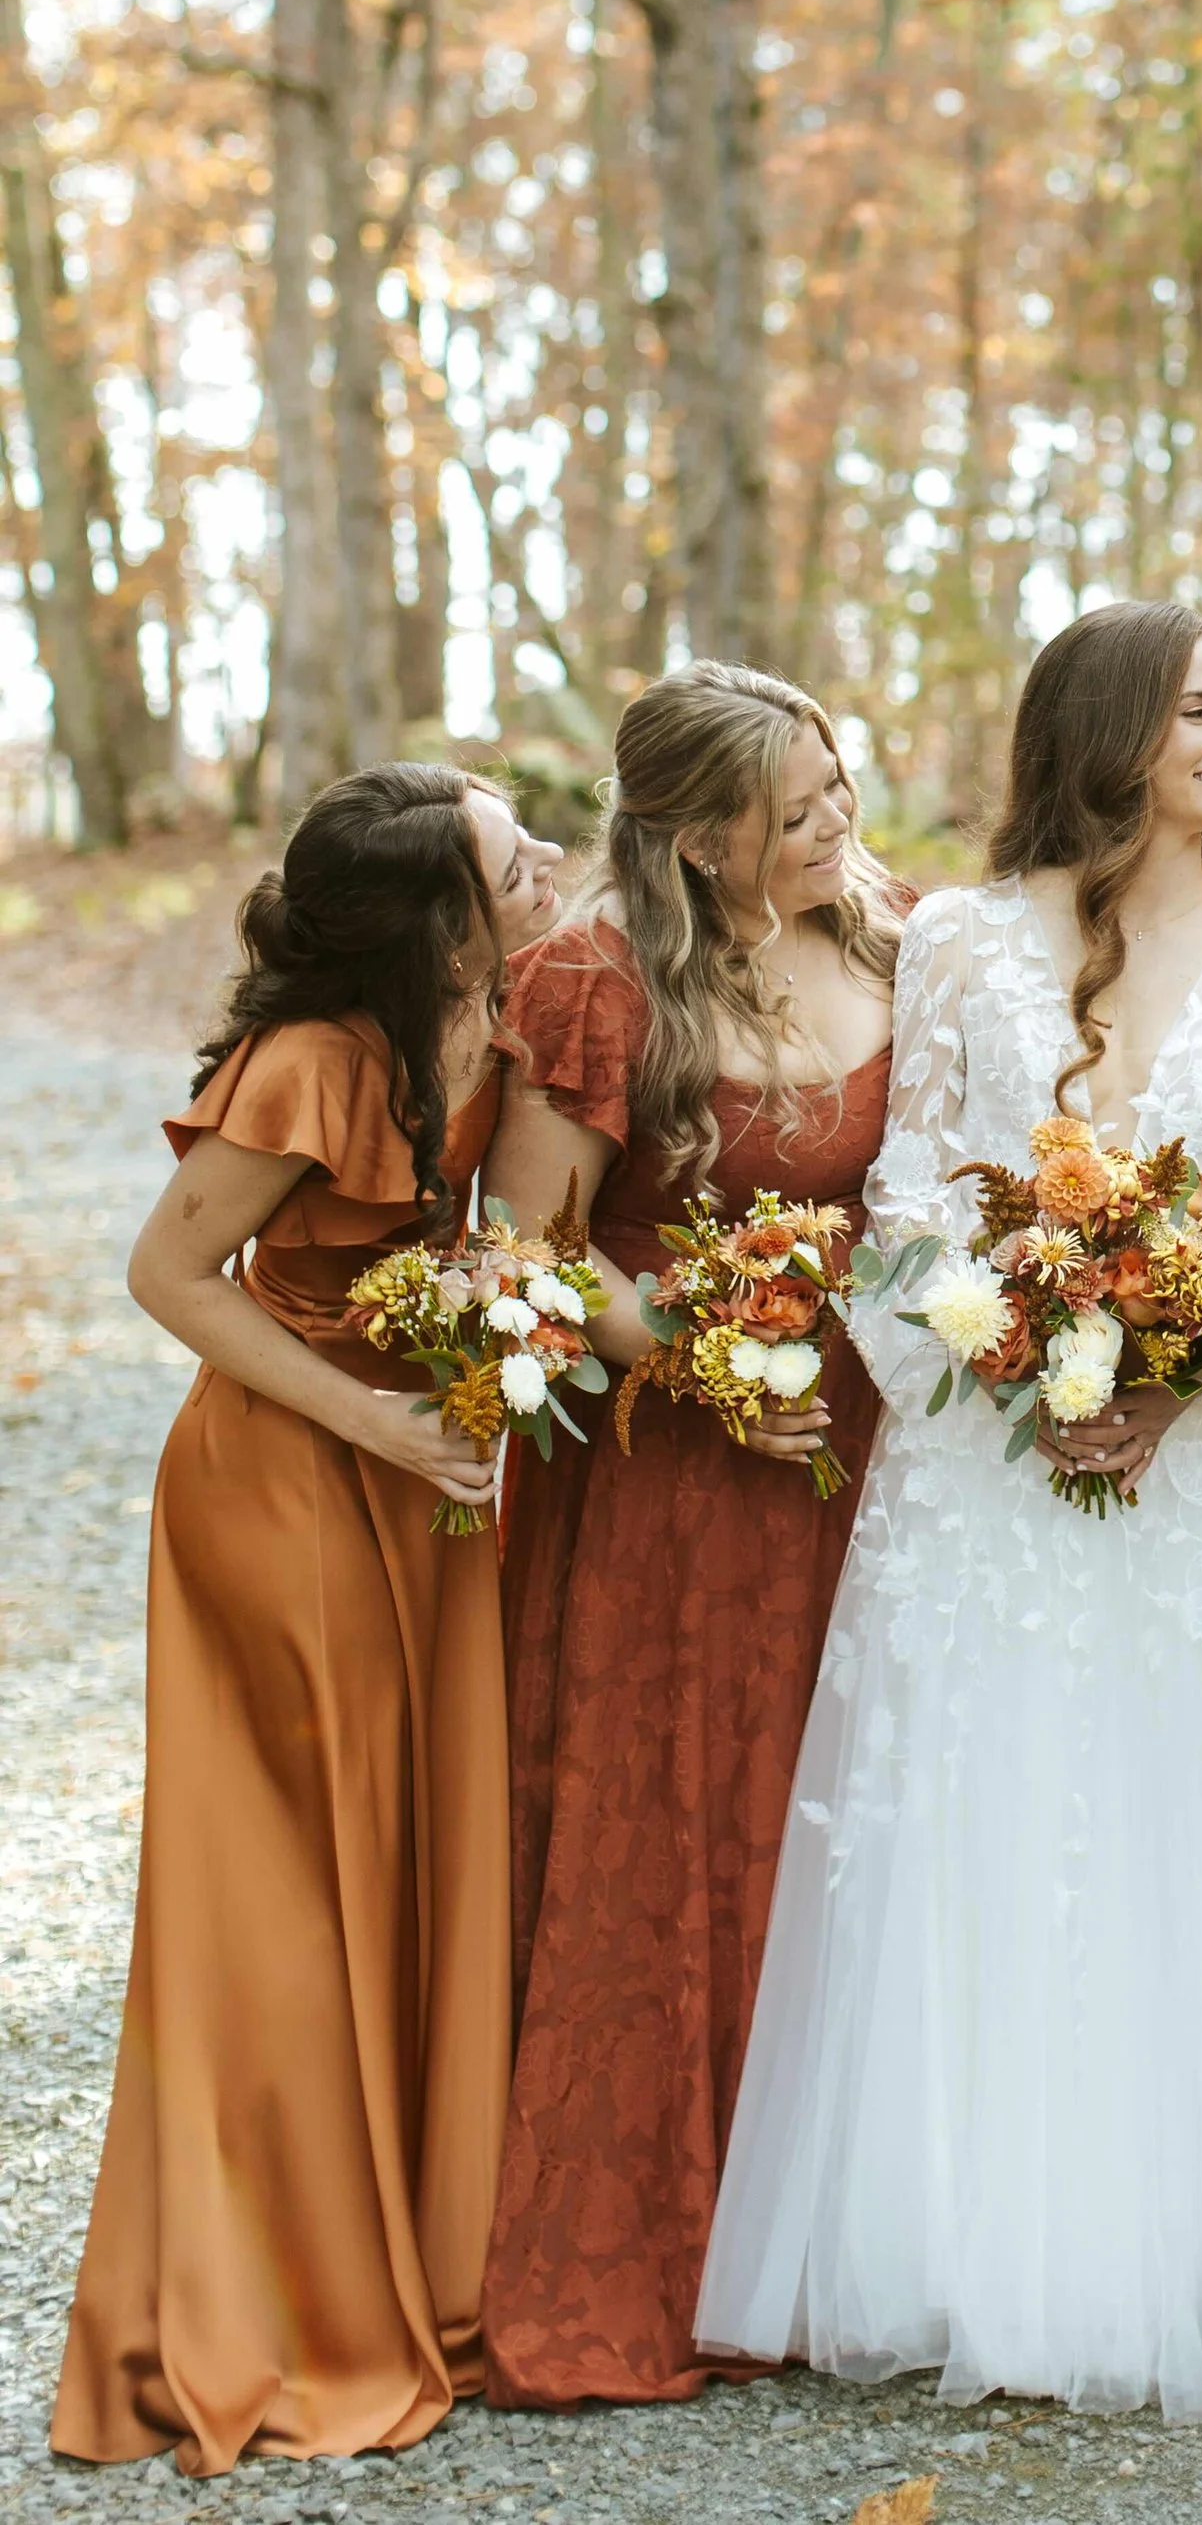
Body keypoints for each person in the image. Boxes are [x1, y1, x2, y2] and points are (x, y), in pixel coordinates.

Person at [696, 603, 1202, 2419]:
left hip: (1200, 1467)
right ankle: (935, 2245)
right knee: (970, 1812)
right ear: (1108, 731)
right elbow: (905, 1190)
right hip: (980, 1457)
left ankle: (1170, 2259)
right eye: (1200, 706)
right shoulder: (964, 942)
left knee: (1164, 1822)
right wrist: (1012, 1364)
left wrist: (1175, 1375)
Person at [52, 764, 562, 2473]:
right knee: (291, 1881)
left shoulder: (493, 1015)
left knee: (417, 1849)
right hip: (285, 1483)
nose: (547, 861)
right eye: (513, 855)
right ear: (440, 912)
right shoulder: (312, 1063)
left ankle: (425, 2251)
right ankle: (281, 2291)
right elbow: (166, 1276)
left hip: (423, 1472)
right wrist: (378, 1421)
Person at [482, 662, 907, 2408]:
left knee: (847, 1812)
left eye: (836, 786)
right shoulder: (589, 978)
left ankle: (837, 2239)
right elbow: (534, 1241)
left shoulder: (893, 941)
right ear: (687, 834)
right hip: (673, 1467)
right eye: (792, 808)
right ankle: (668, 2239)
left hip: (865, 1452)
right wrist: (703, 1357)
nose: (836, 826)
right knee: (679, 1822)